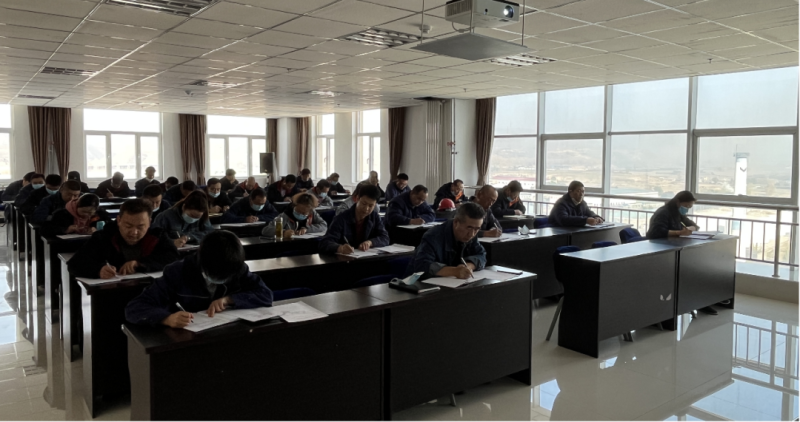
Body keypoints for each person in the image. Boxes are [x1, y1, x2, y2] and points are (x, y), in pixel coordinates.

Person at [125, 230, 273, 328]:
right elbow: (134, 308)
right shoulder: (177, 272)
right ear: (201, 262)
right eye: (215, 275)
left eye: (225, 277)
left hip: (224, 333)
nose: (220, 280)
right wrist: (166, 318)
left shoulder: (237, 268)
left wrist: (229, 299)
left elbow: (266, 295)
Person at [67, 198, 180, 279]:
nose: (134, 232)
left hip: (150, 290)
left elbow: (174, 258)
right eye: (128, 226)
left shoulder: (157, 235)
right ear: (119, 220)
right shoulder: (104, 237)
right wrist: (98, 270)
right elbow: (75, 264)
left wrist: (140, 263)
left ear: (149, 222)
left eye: (140, 227)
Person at [409, 202, 487, 280]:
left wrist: (469, 266)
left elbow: (481, 255)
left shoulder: (471, 234)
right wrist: (454, 271)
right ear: (456, 222)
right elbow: (422, 265)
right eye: (469, 228)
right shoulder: (433, 236)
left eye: (477, 229)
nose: (472, 234)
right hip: (419, 282)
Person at [319, 185, 389, 254]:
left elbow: (385, 238)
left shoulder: (374, 217)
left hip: (367, 258)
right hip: (345, 258)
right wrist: (340, 248)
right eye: (364, 204)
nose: (366, 209)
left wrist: (370, 242)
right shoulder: (342, 218)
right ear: (357, 199)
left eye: (371, 206)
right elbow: (325, 242)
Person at [42, 193, 111, 237]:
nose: (86, 215)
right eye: (84, 212)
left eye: (90, 213)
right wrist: (66, 229)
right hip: (67, 245)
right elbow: (45, 230)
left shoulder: (100, 214)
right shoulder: (62, 214)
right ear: (76, 207)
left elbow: (110, 227)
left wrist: (97, 230)